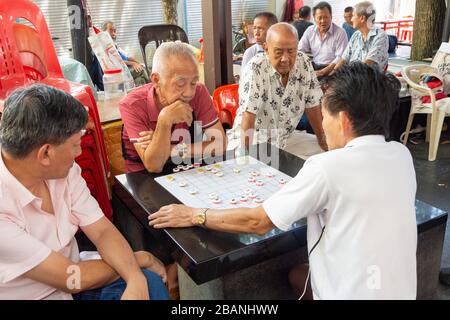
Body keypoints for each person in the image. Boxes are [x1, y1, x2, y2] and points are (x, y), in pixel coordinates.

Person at [149, 62, 418, 300]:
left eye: (324, 117)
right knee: (298, 276)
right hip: (401, 291)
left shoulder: (327, 168)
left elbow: (258, 222)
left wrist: (194, 214)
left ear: (344, 121)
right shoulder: (401, 155)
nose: (323, 125)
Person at [0, 84, 169, 300]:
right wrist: (139, 260)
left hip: (78, 283)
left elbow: (102, 231)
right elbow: (70, 278)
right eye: (74, 145)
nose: (79, 152)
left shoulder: (61, 172)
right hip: (49, 291)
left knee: (148, 283)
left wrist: (134, 276)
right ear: (45, 154)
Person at [119, 41, 226, 174]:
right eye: (180, 84)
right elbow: (154, 165)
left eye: (193, 82)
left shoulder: (199, 91)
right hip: (143, 179)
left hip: (187, 170)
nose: (189, 93)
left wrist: (170, 149)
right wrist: (164, 120)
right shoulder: (131, 104)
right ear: (156, 80)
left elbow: (220, 145)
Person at [228, 22, 327, 158]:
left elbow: (313, 106)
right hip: (254, 139)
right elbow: (248, 117)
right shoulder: (256, 68)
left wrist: (323, 141)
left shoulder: (303, 63)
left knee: (325, 153)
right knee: (263, 169)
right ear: (266, 49)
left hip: (285, 138)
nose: (285, 59)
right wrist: (246, 158)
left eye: (291, 51)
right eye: (279, 52)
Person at [335, 1, 389, 72]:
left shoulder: (380, 36)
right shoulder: (356, 35)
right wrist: (333, 74)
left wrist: (346, 77)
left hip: (368, 81)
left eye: (353, 16)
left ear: (362, 18)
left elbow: (366, 66)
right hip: (351, 77)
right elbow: (344, 58)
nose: (351, 19)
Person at [298, 1, 348, 79]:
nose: (323, 21)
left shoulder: (340, 33)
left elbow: (340, 58)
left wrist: (322, 72)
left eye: (326, 17)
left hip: (332, 70)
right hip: (313, 67)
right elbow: (300, 50)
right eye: (319, 18)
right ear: (314, 18)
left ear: (331, 16)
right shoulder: (310, 30)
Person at [102, 21, 150, 86]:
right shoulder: (105, 47)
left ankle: (141, 94)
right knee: (142, 70)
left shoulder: (115, 46)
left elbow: (127, 57)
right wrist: (133, 64)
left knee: (140, 80)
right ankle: (153, 86)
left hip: (127, 69)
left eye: (115, 31)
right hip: (120, 72)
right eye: (111, 31)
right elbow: (116, 61)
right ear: (104, 32)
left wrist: (138, 63)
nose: (113, 33)